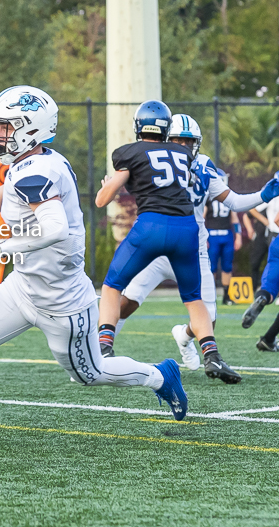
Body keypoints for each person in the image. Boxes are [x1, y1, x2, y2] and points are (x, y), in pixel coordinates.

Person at [0, 86, 187, 447]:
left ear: (30, 127)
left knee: (91, 374)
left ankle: (160, 375)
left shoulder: (36, 171)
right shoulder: (27, 164)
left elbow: (54, 228)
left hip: (62, 300)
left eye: (5, 127)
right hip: (23, 285)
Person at [109, 114, 278, 381]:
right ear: (166, 138)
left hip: (191, 247)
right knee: (128, 301)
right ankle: (98, 351)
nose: (183, 146)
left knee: (208, 318)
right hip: (156, 248)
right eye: (177, 140)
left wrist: (262, 196)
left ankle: (185, 336)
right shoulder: (151, 158)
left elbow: (231, 200)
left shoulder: (202, 164)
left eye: (188, 141)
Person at [204, 169, 242, 306]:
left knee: (227, 266)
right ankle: (211, 295)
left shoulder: (228, 197)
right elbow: (202, 218)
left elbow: (235, 219)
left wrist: (238, 236)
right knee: (211, 267)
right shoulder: (207, 197)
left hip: (226, 235)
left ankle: (226, 296)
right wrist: (203, 238)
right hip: (212, 235)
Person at [242, 194, 279, 332]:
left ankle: (262, 298)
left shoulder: (273, 192)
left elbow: (276, 219)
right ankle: (269, 338)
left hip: (277, 240)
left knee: (269, 287)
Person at [243, 207, 270, 290]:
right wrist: (250, 229)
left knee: (274, 263)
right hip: (260, 236)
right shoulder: (265, 202)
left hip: (273, 235)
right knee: (255, 262)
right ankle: (253, 288)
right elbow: (249, 213)